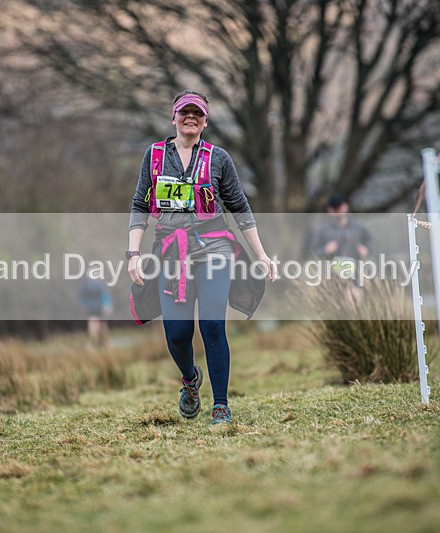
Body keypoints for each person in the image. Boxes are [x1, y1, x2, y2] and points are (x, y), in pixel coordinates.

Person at [128, 90, 278, 425]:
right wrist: (134, 254)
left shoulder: (219, 159)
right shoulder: (154, 156)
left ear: (206, 120)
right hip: (170, 253)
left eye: (197, 113)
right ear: (174, 117)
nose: (190, 118)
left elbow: (240, 208)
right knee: (177, 334)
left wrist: (262, 255)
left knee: (212, 325)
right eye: (185, 112)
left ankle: (221, 405)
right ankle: (190, 380)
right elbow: (140, 204)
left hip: (214, 249)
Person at [303, 194, 370, 304]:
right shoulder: (322, 230)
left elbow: (369, 243)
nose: (339, 211)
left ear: (346, 207)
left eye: (340, 207)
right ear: (330, 210)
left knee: (354, 304)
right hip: (331, 275)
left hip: (355, 273)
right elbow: (312, 251)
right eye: (336, 208)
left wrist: (365, 250)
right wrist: (325, 250)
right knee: (336, 307)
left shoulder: (358, 228)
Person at [78, 278, 113, 347]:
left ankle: (96, 342)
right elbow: (105, 295)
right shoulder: (99, 283)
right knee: (99, 324)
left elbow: (82, 297)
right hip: (99, 307)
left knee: (96, 323)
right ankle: (100, 342)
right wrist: (107, 306)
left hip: (92, 307)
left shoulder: (85, 284)